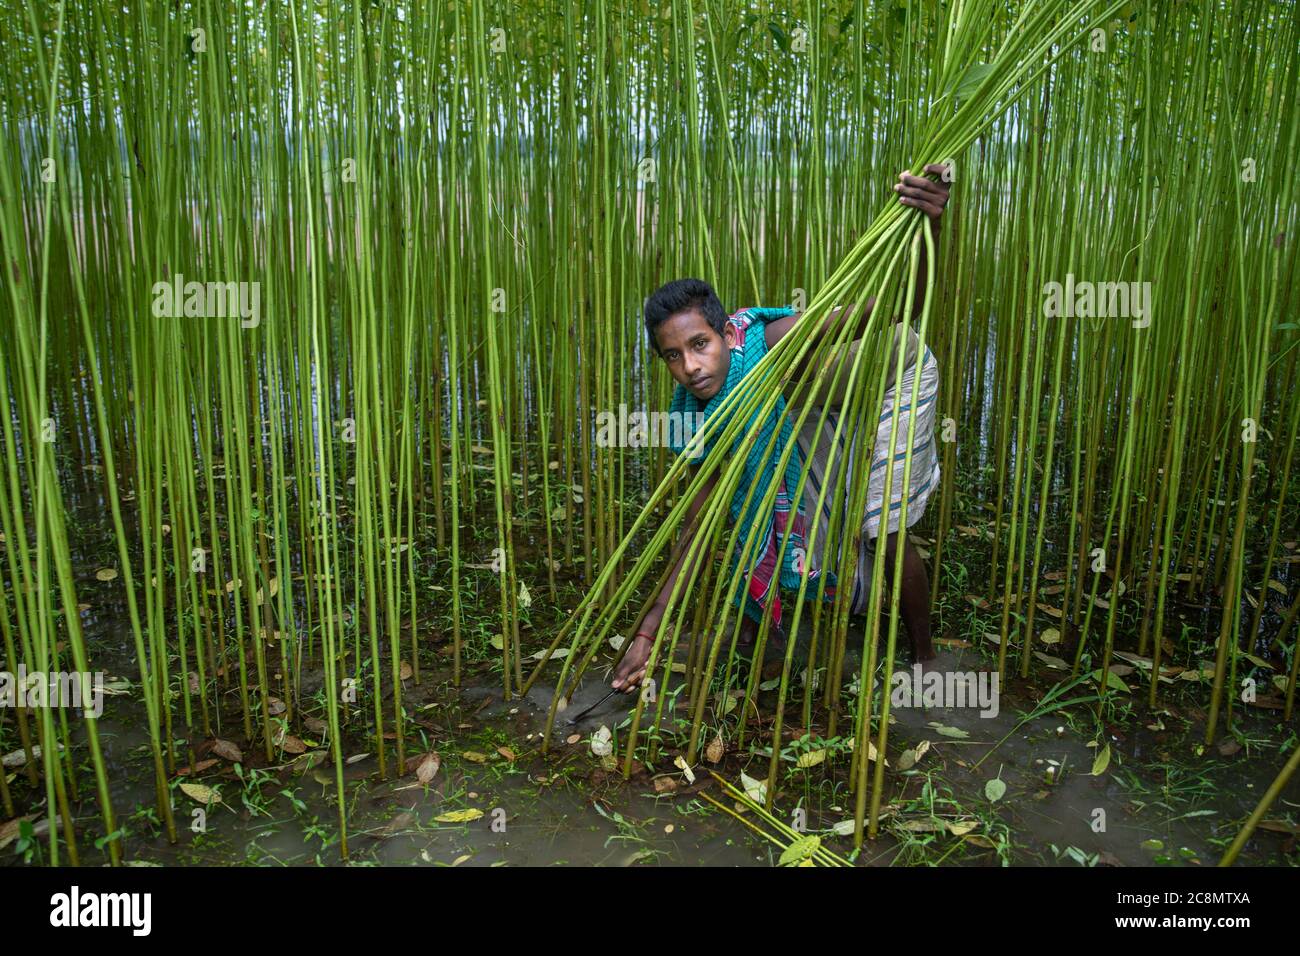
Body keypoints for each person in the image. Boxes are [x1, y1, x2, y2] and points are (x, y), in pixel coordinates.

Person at [611, 166, 951, 693]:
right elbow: (699, 520)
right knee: (769, 490)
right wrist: (648, 634)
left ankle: (925, 655)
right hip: (821, 402)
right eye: (673, 357)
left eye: (700, 345)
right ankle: (754, 628)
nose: (692, 367)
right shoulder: (699, 407)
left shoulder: (774, 340)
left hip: (894, 376)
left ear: (727, 334)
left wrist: (928, 227)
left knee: (879, 523)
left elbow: (892, 309)